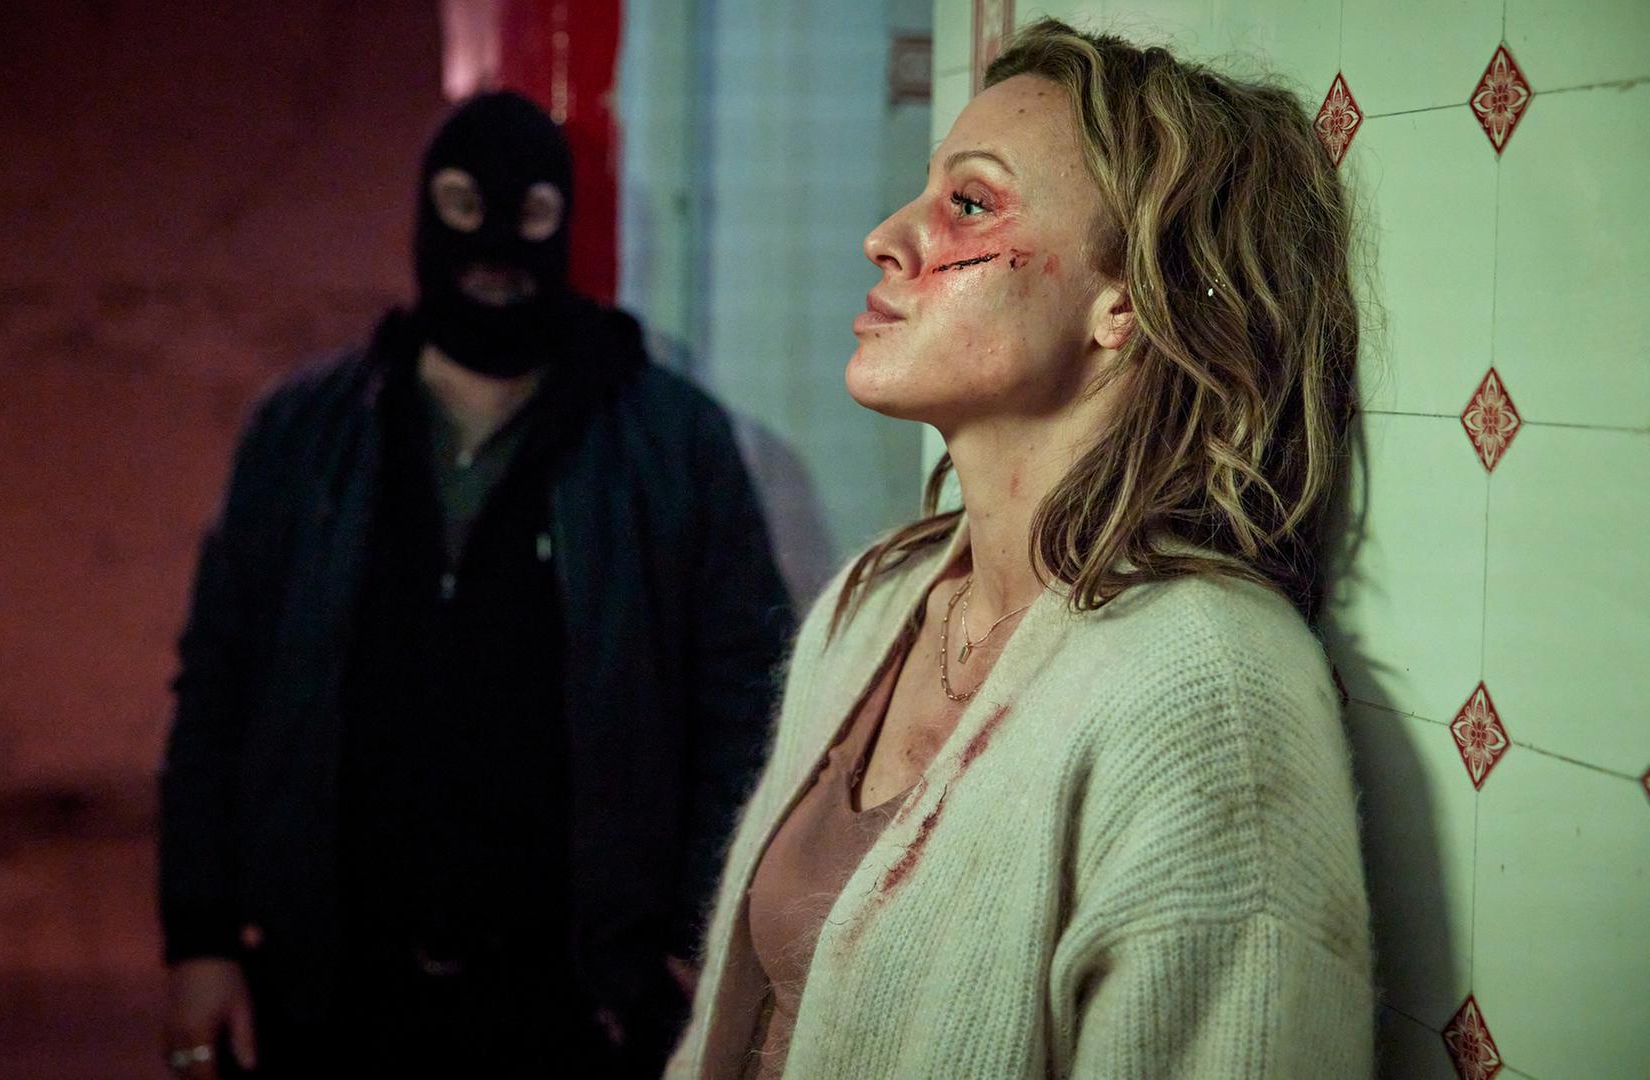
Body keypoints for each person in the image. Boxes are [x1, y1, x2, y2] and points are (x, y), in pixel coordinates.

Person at [669, 20, 1373, 1079]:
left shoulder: (1213, 690)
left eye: (969, 203)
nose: (884, 238)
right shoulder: (877, 600)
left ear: (1125, 303)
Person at [158, 91, 793, 1079]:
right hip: (330, 998)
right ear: (426, 214)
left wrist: (699, 945)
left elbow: (748, 703)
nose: (495, 249)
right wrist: (201, 936)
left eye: (528, 215)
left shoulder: (671, 445)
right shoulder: (301, 436)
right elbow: (218, 687)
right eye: (465, 208)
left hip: (582, 1009)